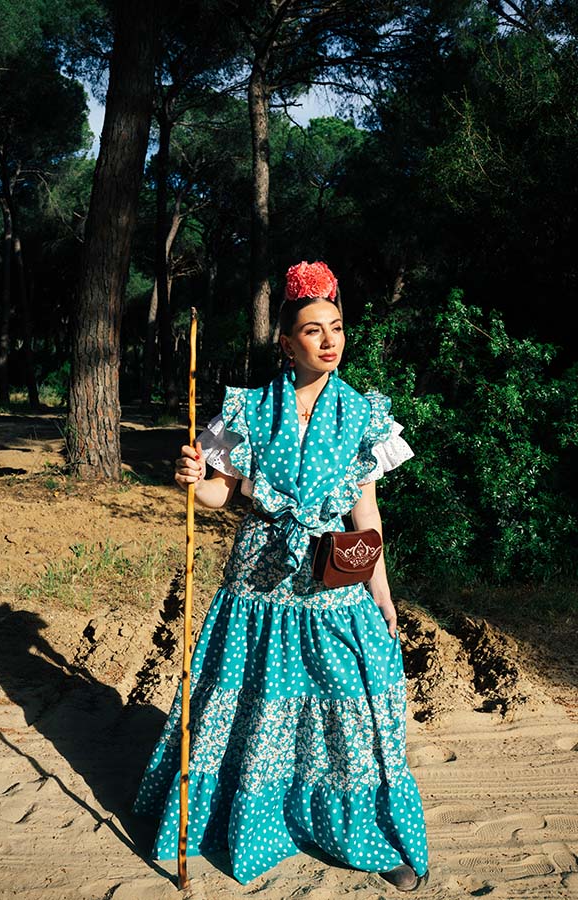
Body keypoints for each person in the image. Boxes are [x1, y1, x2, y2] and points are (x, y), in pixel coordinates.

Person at [132, 260, 429, 892]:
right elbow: (217, 494)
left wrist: (382, 592)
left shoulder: (361, 416)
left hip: (331, 582)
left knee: (354, 707)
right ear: (286, 342)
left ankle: (368, 835)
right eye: (314, 330)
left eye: (338, 327)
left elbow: (365, 512)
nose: (329, 340)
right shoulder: (248, 408)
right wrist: (193, 478)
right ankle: (242, 821)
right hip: (258, 582)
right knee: (250, 707)